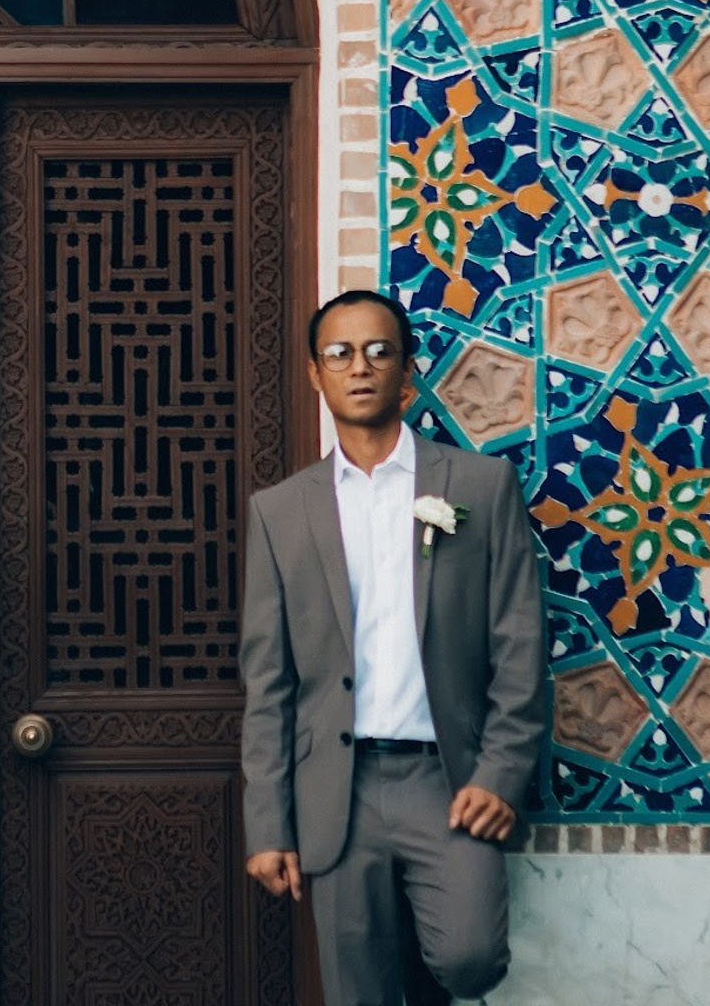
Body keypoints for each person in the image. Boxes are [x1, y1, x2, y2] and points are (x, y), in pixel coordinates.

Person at [238, 289, 548, 1006]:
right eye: (339, 354)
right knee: (357, 993)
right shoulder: (280, 512)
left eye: (379, 351)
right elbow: (268, 682)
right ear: (316, 375)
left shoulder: (479, 486)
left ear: (407, 370)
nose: (360, 367)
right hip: (334, 792)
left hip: (448, 779)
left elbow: (520, 645)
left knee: (470, 957)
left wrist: (500, 775)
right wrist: (268, 822)